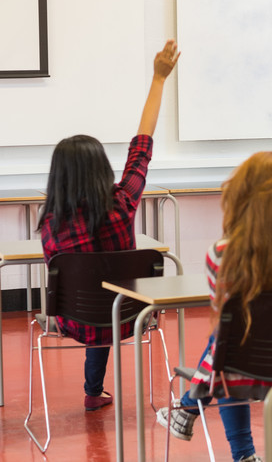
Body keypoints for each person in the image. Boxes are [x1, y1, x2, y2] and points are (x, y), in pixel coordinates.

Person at [156, 97, 272, 462]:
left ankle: (223, 436)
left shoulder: (221, 254)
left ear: (239, 197)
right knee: (229, 336)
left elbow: (226, 330)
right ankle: (189, 409)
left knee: (227, 337)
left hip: (238, 373)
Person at [38, 40, 179, 412]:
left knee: (92, 303)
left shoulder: (51, 224)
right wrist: (159, 79)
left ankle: (92, 390)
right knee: (105, 303)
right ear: (102, 169)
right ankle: (93, 390)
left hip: (75, 321)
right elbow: (142, 145)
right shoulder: (123, 203)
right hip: (129, 315)